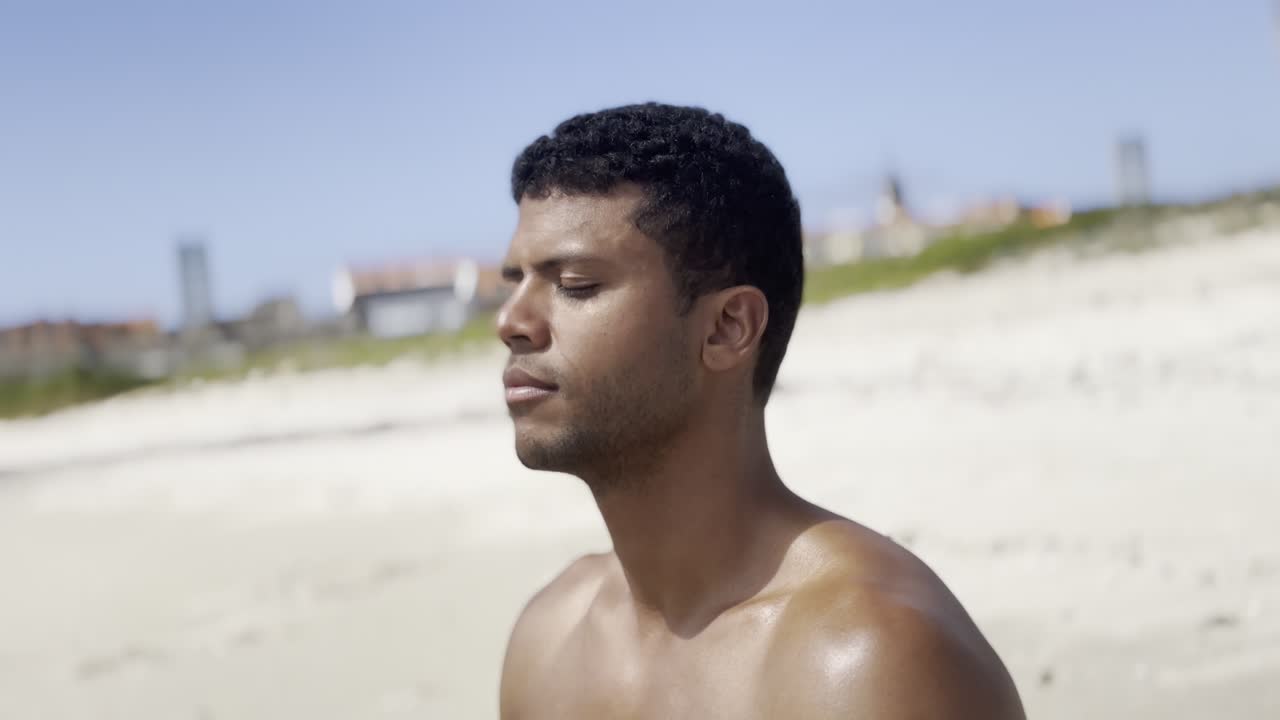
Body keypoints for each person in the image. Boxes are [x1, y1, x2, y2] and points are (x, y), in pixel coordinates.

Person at [495, 103, 1025, 719]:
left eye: (576, 284)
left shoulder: (865, 661)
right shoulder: (549, 637)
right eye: (515, 281)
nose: (511, 322)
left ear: (727, 328)